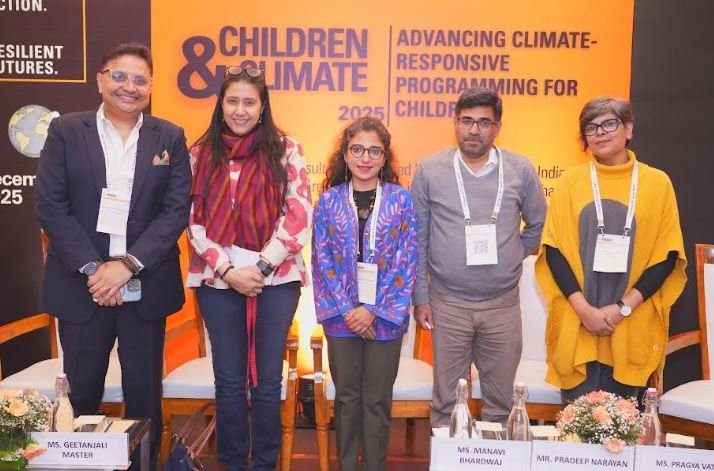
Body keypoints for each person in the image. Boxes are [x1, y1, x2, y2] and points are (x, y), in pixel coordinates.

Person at [35, 42, 192, 468]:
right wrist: (96, 270)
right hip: (81, 286)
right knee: (82, 393)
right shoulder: (66, 131)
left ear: (151, 86)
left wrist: (126, 267)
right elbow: (51, 207)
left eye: (140, 79)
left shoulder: (169, 136)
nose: (129, 86)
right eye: (119, 76)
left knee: (144, 395)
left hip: (145, 285)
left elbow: (175, 211)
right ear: (100, 80)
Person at [185, 65, 311, 470]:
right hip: (217, 279)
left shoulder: (286, 148)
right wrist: (228, 270)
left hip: (276, 278)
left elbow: (299, 214)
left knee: (267, 380)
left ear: (262, 107)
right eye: (233, 101)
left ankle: (265, 464)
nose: (240, 110)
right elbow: (192, 220)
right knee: (229, 380)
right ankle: (233, 463)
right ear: (221, 105)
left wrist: (260, 266)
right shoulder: (200, 153)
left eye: (249, 102)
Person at [535, 96, 687, 404]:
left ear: (629, 129)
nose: (600, 132)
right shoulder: (570, 182)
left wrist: (621, 309)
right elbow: (554, 252)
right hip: (579, 321)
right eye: (591, 127)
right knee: (577, 423)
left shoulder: (657, 183)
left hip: (631, 321)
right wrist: (584, 311)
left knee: (620, 425)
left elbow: (666, 256)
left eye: (609, 123)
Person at [411, 87, 547, 426]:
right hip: (448, 303)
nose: (474, 130)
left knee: (499, 404)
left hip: (501, 305)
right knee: (447, 404)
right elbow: (418, 239)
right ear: (455, 123)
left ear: (497, 127)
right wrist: (421, 297)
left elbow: (538, 223)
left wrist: (513, 254)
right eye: (467, 121)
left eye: (484, 122)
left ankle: (493, 454)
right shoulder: (430, 169)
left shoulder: (520, 169)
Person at [312, 116, 418, 471]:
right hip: (341, 318)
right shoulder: (328, 201)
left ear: (385, 157)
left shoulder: (401, 200)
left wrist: (371, 309)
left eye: (374, 151)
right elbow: (321, 260)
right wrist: (349, 310)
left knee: (376, 400)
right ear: (345, 153)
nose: (365, 157)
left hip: (385, 318)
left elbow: (406, 260)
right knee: (346, 400)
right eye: (357, 149)